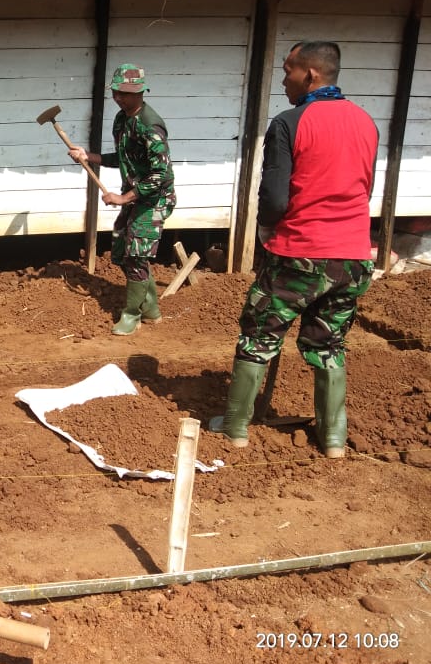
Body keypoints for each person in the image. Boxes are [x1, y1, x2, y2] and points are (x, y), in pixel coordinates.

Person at [209, 41, 378, 458]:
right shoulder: (367, 122)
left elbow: (274, 199)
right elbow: (365, 186)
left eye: (288, 71)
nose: (283, 79)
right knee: (329, 344)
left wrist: (268, 231)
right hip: (354, 257)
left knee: (259, 334)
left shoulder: (289, 123)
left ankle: (234, 428)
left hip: (300, 251)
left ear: (311, 75)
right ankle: (333, 440)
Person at [67, 63, 176, 335]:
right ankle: (151, 309)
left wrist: (123, 197)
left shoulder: (151, 126)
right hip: (136, 198)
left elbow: (160, 175)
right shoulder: (122, 119)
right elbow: (124, 158)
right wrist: (88, 156)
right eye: (116, 91)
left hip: (154, 200)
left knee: (135, 255)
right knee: (123, 252)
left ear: (140, 92)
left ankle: (131, 315)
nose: (119, 97)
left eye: (125, 93)